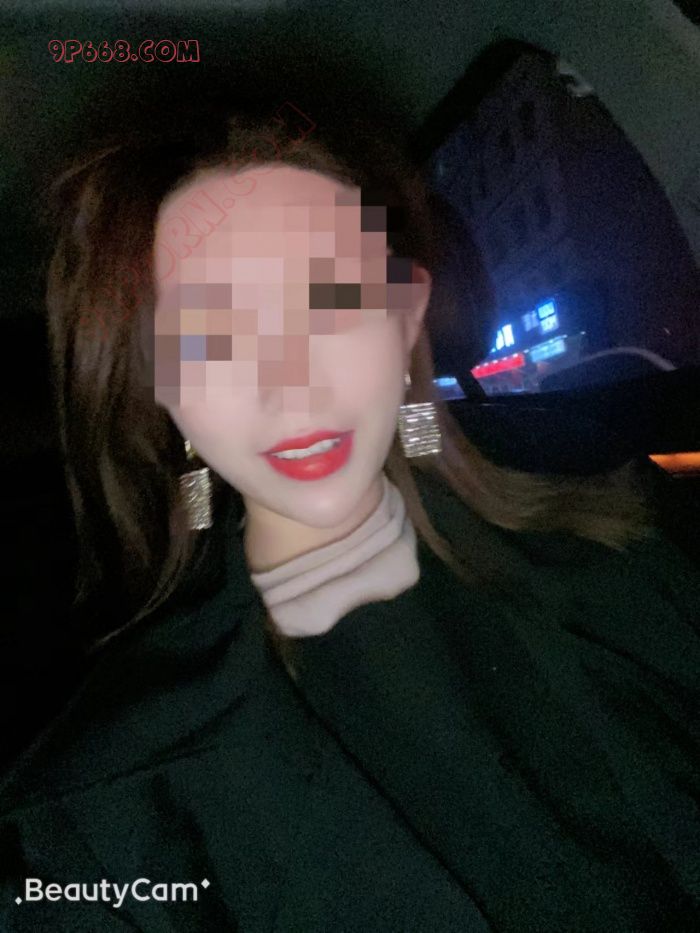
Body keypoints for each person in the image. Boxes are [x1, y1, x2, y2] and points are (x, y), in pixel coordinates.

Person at [1, 101, 699, 933]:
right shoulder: (100, 813)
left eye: (328, 300)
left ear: (405, 318)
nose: (290, 382)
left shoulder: (634, 549)